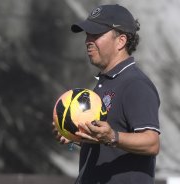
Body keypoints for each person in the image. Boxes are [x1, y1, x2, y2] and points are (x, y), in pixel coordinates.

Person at [53, 4, 161, 184]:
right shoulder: (106, 82)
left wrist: (112, 137)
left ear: (121, 41)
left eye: (96, 34)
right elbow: (107, 142)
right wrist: (75, 135)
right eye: (87, 34)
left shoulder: (135, 84)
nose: (88, 40)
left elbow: (152, 143)